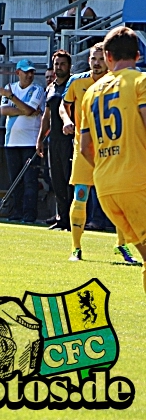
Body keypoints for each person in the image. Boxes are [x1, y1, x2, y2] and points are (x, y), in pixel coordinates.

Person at [79, 26, 146, 287]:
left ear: (107, 56)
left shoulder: (92, 92)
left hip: (107, 186)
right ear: (138, 55)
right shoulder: (140, 82)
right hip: (138, 181)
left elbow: (86, 148)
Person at [63, 42, 140, 265]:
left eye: (100, 59)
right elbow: (63, 105)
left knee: (120, 197)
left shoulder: (117, 83)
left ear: (108, 59)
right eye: (92, 59)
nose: (96, 63)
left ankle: (122, 244)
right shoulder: (77, 81)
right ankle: (76, 248)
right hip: (84, 147)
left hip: (110, 148)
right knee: (80, 195)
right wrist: (67, 120)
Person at [0, 59, 45, 223]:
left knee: (30, 180)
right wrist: (24, 110)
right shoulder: (11, 87)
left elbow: (30, 109)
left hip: (30, 141)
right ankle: (16, 212)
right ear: (18, 73)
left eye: (31, 72)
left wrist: (12, 98)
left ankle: (29, 214)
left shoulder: (37, 89)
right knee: (15, 179)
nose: (29, 75)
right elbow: (4, 110)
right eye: (26, 72)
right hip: (11, 141)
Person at [36, 50, 73, 230]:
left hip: (70, 139)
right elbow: (46, 115)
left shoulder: (72, 84)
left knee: (69, 181)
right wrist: (40, 139)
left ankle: (73, 219)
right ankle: (62, 218)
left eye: (62, 64)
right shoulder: (51, 87)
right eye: (56, 64)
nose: (59, 67)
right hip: (54, 140)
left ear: (69, 66)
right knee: (56, 180)